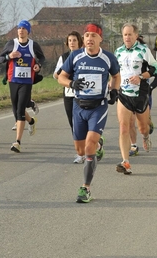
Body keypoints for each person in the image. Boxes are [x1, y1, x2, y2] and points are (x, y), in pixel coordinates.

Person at [57, 23, 120, 203]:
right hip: (78, 106)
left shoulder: (108, 58)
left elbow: (116, 75)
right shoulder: (75, 56)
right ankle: (99, 146)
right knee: (80, 149)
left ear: (100, 39)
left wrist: (115, 90)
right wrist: (71, 84)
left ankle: (86, 188)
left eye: (93, 35)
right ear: (83, 39)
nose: (89, 39)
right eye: (86, 36)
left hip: (98, 106)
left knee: (89, 145)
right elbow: (61, 77)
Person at [114, 23, 157, 174]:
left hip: (140, 94)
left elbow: (156, 69)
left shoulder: (143, 50)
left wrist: (141, 77)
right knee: (124, 127)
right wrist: (112, 85)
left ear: (136, 35)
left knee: (143, 127)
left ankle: (146, 136)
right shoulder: (118, 52)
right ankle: (125, 162)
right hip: (124, 94)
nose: (127, 37)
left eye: (129, 34)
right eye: (125, 35)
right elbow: (115, 73)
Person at [0, 20, 45, 153]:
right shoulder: (11, 44)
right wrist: (9, 56)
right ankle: (31, 121)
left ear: (28, 31)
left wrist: (38, 66)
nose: (21, 30)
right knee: (15, 109)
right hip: (13, 80)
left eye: (24, 28)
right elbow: (0, 59)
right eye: (19, 28)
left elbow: (42, 58)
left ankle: (17, 141)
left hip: (27, 81)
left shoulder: (33, 45)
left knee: (19, 110)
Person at [53, 31, 84, 163]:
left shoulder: (84, 55)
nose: (72, 42)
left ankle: (89, 147)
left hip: (83, 94)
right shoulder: (64, 57)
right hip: (68, 93)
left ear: (79, 42)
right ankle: (80, 152)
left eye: (74, 40)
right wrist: (60, 73)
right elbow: (55, 75)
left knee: (83, 122)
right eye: (70, 40)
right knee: (73, 123)